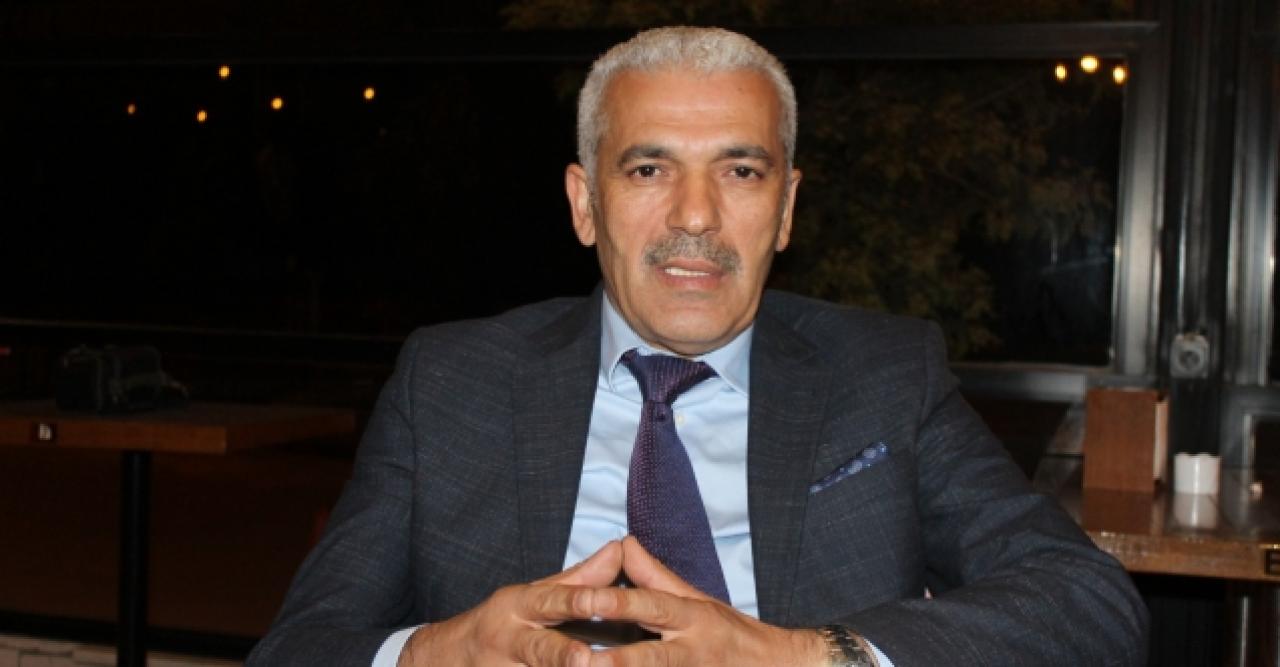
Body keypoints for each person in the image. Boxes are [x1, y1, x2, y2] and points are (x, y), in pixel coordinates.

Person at [248, 26, 1148, 666]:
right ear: (584, 203)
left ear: (786, 209)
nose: (695, 216)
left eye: (740, 170)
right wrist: (438, 652)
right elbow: (297, 645)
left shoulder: (882, 375)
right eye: (649, 168)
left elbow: (1088, 601)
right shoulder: (450, 380)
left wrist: (801, 656)